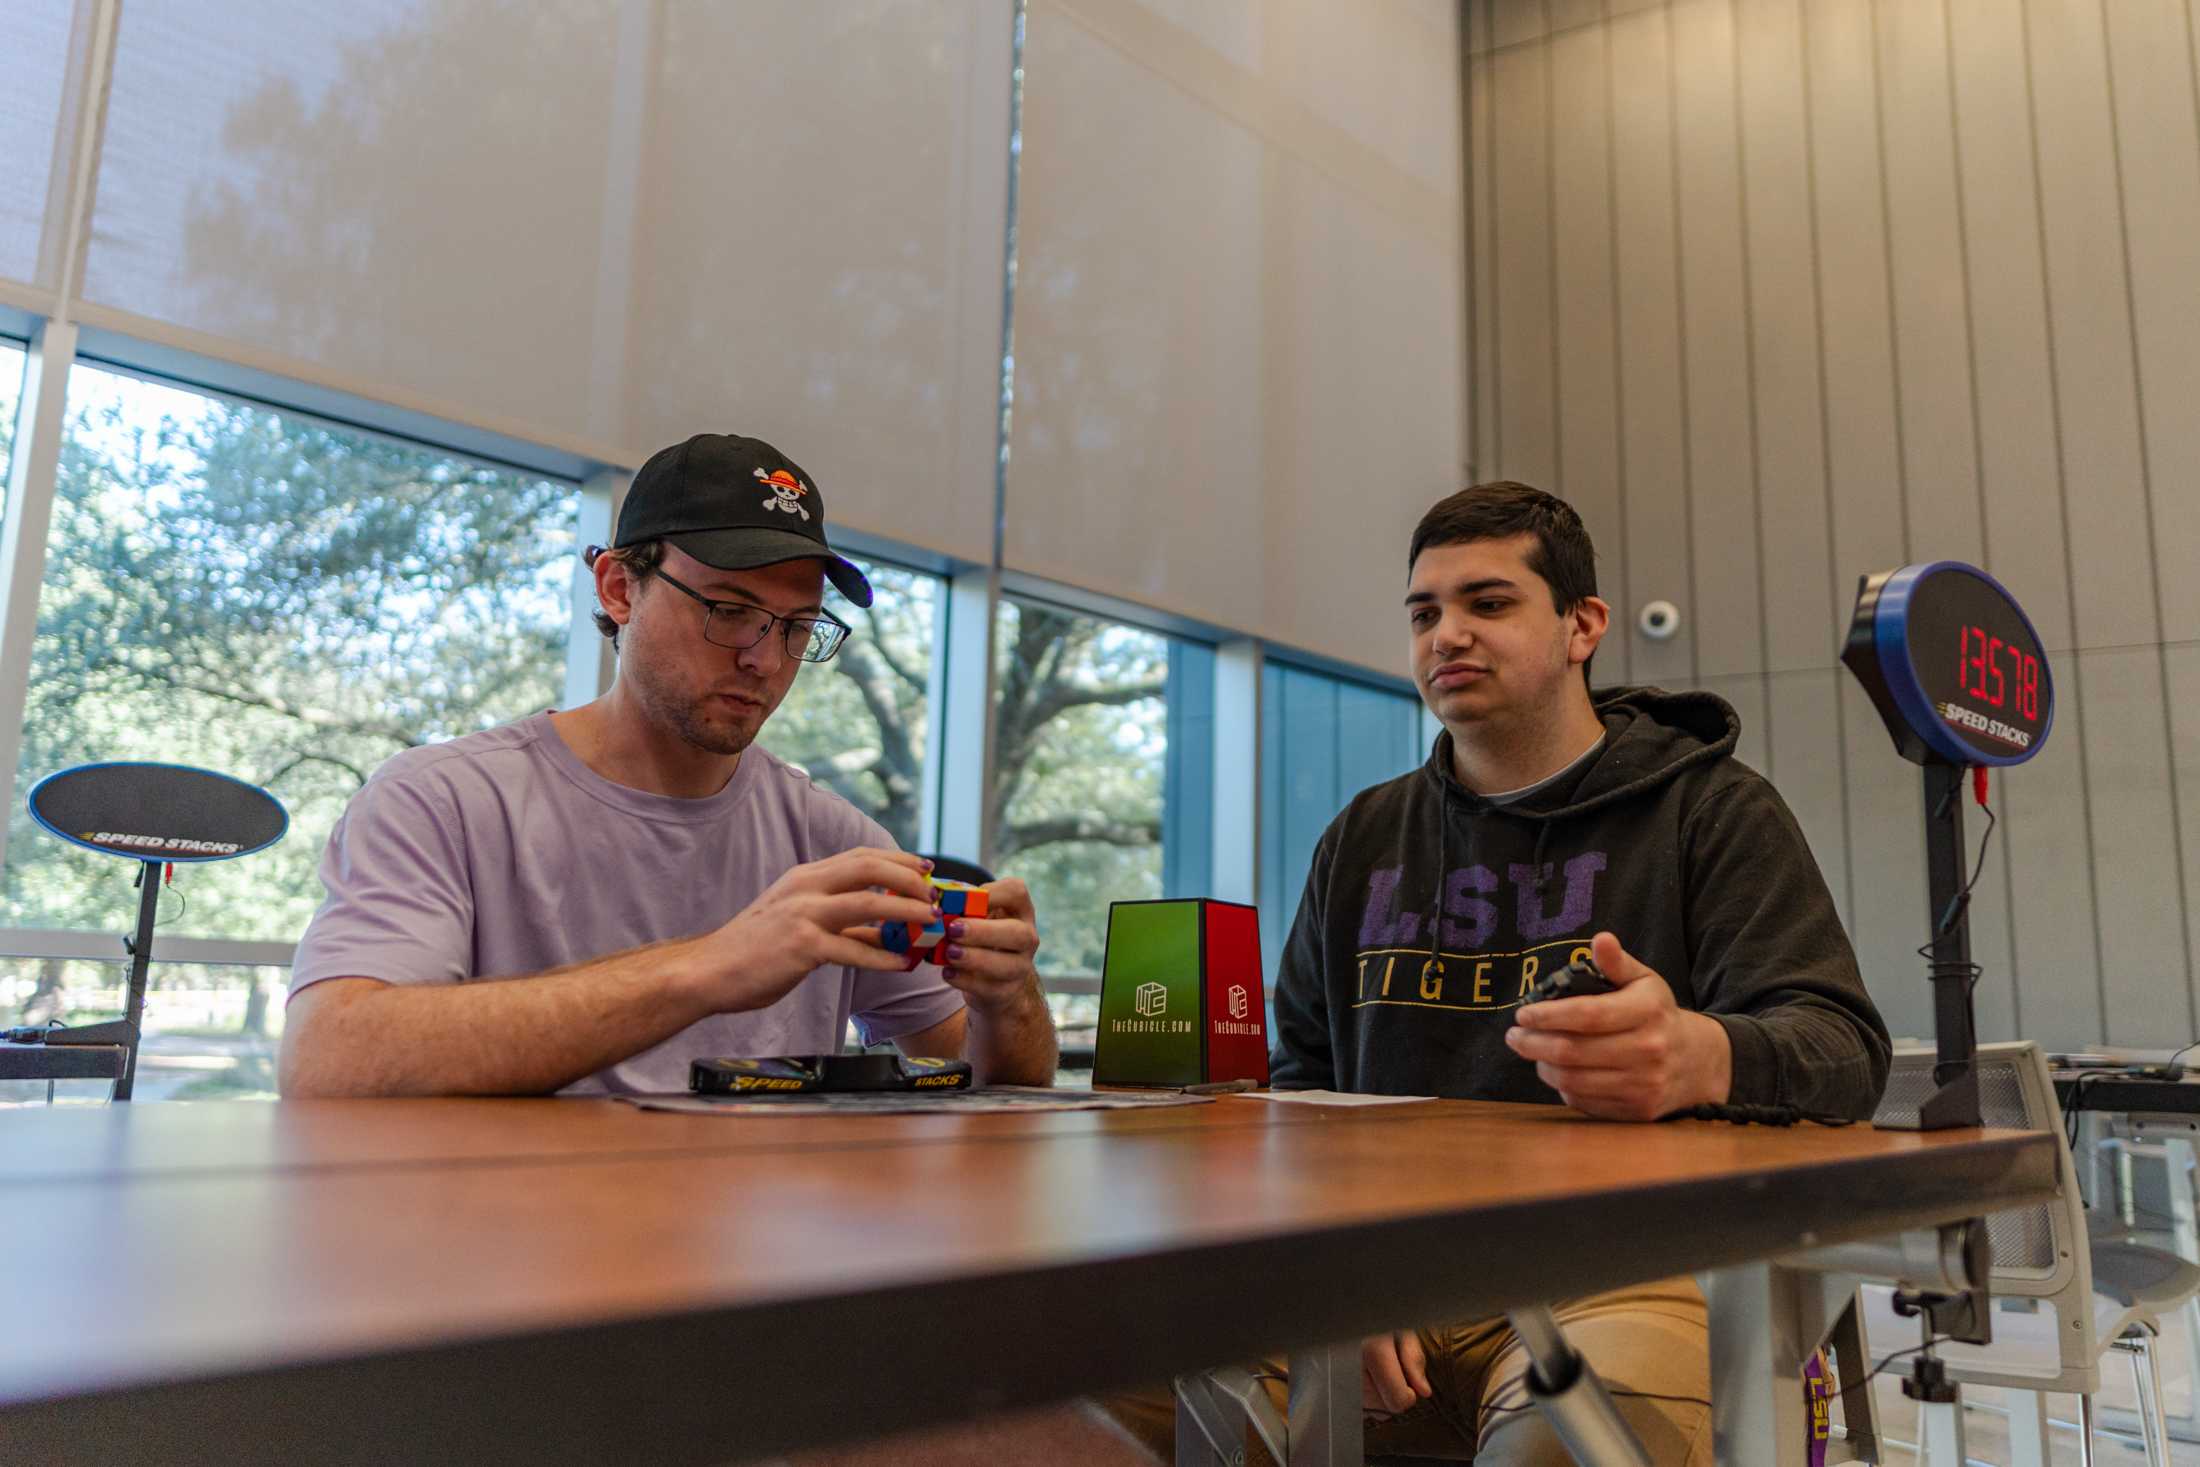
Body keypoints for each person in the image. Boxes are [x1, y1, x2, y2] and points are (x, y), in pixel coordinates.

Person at [1109, 481, 1889, 1466]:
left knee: (1558, 1449)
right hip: (1381, 1265)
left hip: (1624, 1267)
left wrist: (1702, 1054)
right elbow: (1298, 1084)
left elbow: (1843, 1052)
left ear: (1581, 625)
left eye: (1487, 603)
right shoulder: (1362, 836)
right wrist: (1335, 1263)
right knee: (1061, 1410)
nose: (1447, 635)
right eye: (1423, 613)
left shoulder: (1710, 812)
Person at [278, 432, 1058, 1099]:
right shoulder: (445, 799)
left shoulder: (829, 838)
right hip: (512, 1246)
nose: (763, 657)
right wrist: (712, 965)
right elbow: (332, 1057)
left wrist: (1007, 1000)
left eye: (796, 626)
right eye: (728, 610)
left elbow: (1000, 1084)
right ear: (620, 587)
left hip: (773, 1264)